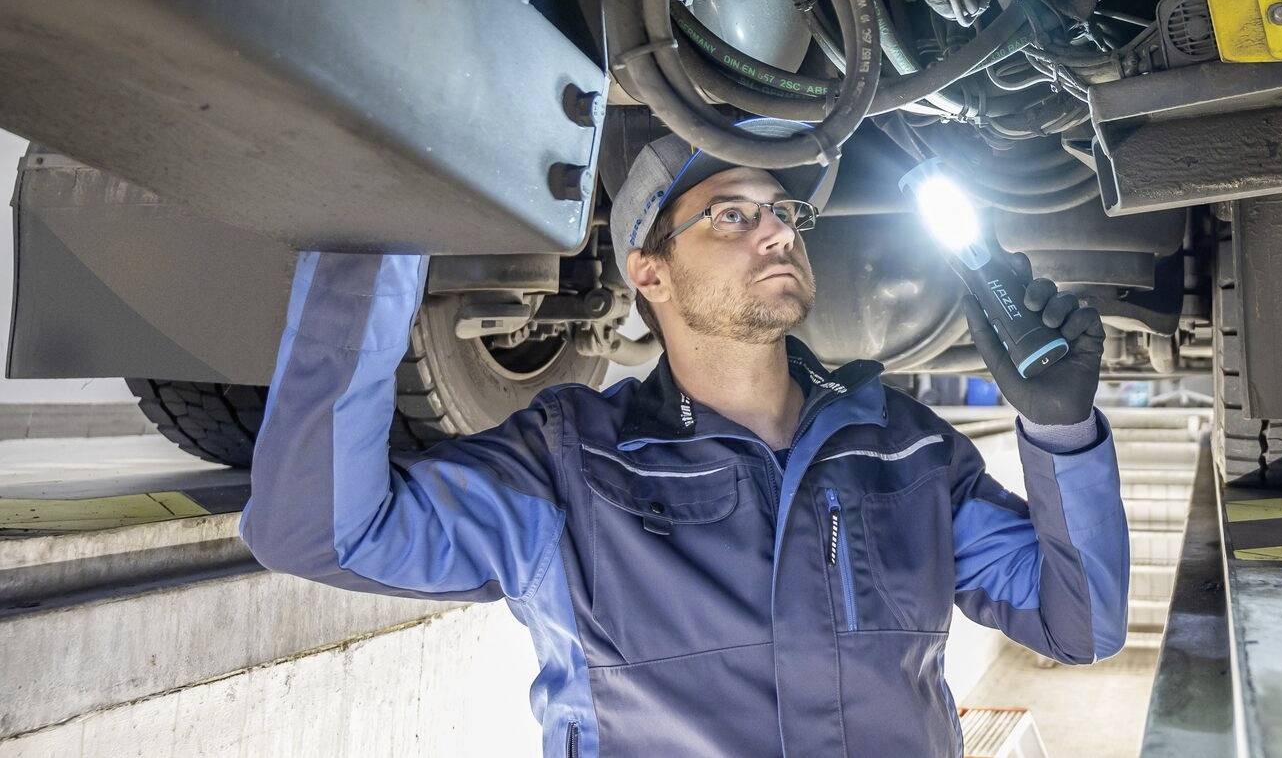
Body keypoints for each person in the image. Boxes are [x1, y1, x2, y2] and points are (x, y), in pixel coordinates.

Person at [239, 120, 1129, 757]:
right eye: (733, 214)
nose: (779, 226)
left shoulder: (905, 451)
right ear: (648, 269)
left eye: (782, 209)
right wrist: (382, 230)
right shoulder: (571, 467)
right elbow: (318, 529)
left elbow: (1078, 624)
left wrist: (1060, 427)